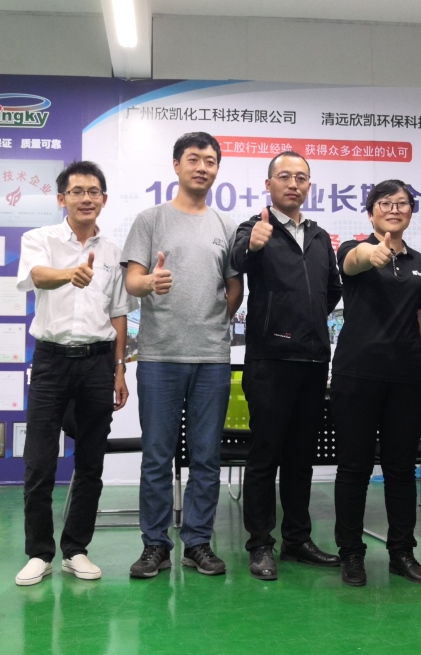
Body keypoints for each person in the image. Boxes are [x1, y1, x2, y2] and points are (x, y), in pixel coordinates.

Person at [123, 132, 243, 579]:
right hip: (159, 357)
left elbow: (235, 286)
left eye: (210, 161)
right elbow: (132, 280)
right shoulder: (150, 219)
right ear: (177, 165)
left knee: (206, 456)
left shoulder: (227, 225)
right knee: (157, 456)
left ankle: (197, 543)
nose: (202, 167)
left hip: (212, 358)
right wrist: (149, 283)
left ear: (217, 169)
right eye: (194, 159)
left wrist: (213, 321)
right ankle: (155, 544)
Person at [14, 160, 131, 586]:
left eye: (93, 191)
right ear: (61, 198)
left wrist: (119, 369)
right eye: (77, 191)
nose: (86, 198)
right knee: (39, 461)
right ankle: (39, 553)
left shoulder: (113, 252)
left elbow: (119, 313)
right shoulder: (40, 239)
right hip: (51, 361)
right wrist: (70, 273)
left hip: (98, 362)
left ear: (104, 199)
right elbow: (37, 277)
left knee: (91, 462)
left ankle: (76, 549)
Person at [230, 151, 343, 580]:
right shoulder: (254, 226)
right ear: (269, 184)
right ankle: (260, 544)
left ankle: (298, 539)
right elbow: (237, 260)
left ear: (309, 186)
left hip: (313, 360)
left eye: (301, 178)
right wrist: (253, 245)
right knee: (265, 456)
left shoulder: (319, 235)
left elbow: (332, 290)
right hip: (270, 360)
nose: (293, 184)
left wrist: (306, 321)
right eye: (284, 176)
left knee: (301, 458)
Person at [330, 179, 421, 587]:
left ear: (411, 211)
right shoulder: (353, 248)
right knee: (353, 467)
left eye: (403, 203)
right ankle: (351, 553)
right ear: (371, 211)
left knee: (400, 468)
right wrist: (372, 252)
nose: (395, 209)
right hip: (356, 375)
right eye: (386, 203)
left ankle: (402, 552)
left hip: (407, 378)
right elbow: (353, 261)